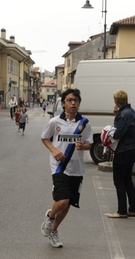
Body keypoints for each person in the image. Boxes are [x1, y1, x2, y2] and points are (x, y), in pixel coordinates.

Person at [40, 88, 93, 248]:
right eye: (69, 100)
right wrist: (54, 150)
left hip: (77, 169)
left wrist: (83, 146)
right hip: (59, 167)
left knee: (68, 203)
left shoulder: (84, 123)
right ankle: (49, 217)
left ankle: (54, 231)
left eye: (76, 100)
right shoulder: (55, 122)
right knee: (62, 200)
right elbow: (44, 137)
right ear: (63, 103)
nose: (73, 103)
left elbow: (89, 144)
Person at [107, 89, 135, 218]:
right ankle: (134, 209)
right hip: (132, 150)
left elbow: (117, 133)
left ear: (116, 101)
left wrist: (110, 129)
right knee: (127, 180)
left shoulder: (123, 114)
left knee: (119, 181)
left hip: (123, 151)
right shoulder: (132, 112)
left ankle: (121, 211)